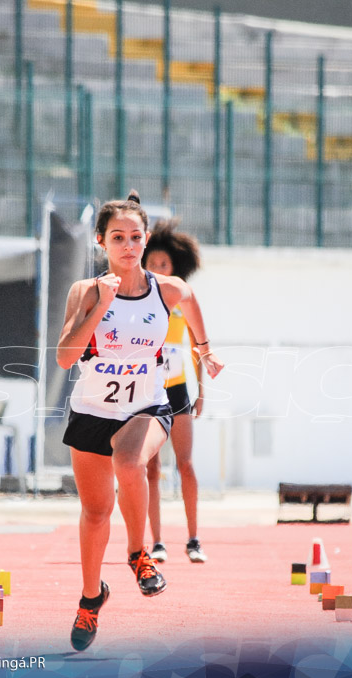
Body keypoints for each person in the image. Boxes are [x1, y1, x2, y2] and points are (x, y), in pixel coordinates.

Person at [57, 191, 223, 651]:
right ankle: (91, 598)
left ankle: (138, 554)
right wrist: (99, 307)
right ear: (101, 242)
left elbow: (192, 312)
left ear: (145, 239)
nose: (128, 246)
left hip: (147, 406)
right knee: (94, 512)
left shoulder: (166, 290)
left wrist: (206, 355)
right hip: (92, 411)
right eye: (118, 238)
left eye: (135, 237)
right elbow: (65, 356)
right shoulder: (86, 291)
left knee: (129, 462)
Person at [142, 219, 207, 564]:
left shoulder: (182, 299)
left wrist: (201, 391)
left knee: (186, 465)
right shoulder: (138, 300)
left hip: (178, 388)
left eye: (162, 264)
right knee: (150, 469)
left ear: (174, 267)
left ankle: (194, 539)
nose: (156, 269)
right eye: (151, 264)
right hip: (148, 392)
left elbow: (198, 344)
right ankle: (157, 542)